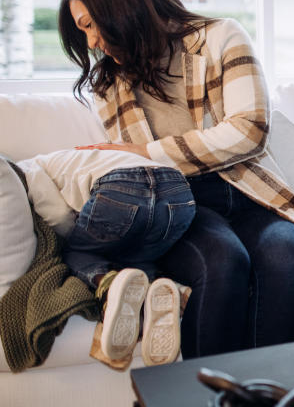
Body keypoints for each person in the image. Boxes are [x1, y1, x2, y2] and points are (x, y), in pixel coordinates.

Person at [57, 0, 294, 358]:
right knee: (223, 260)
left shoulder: (221, 37)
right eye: (81, 31)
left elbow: (249, 131)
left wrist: (147, 152)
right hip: (178, 205)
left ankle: (263, 399)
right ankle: (202, 405)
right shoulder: (110, 84)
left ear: (118, 6)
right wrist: (141, 159)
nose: (90, 42)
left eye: (89, 25)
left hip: (246, 191)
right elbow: (140, 171)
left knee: (288, 250)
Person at [16, 148, 192, 365]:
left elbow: (58, 215)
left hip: (122, 186)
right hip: (179, 192)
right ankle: (163, 290)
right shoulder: (65, 158)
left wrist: (67, 239)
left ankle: (110, 284)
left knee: (74, 252)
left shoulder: (25, 168)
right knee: (134, 259)